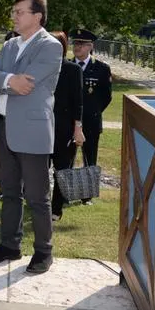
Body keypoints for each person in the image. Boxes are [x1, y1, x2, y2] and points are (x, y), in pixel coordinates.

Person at [0, 0, 62, 275]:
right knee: (10, 192)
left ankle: (43, 251)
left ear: (37, 16)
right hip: (4, 128)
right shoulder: (11, 44)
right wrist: (8, 80)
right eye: (14, 12)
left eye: (20, 12)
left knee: (38, 196)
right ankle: (9, 245)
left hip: (32, 130)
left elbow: (27, 83)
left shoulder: (50, 46)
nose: (14, 16)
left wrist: (6, 80)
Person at [70, 28, 112, 205]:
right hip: (69, 122)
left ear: (90, 46)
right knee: (67, 159)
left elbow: (106, 97)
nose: (76, 47)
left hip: (91, 121)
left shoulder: (101, 69)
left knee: (90, 158)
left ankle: (86, 197)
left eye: (81, 43)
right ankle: (65, 192)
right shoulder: (66, 66)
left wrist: (92, 113)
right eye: (75, 43)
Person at [49, 31, 85, 221]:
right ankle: (40, 204)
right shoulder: (40, 68)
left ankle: (56, 209)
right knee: (38, 170)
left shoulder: (72, 70)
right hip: (41, 126)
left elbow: (78, 102)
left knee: (62, 170)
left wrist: (77, 128)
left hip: (63, 129)